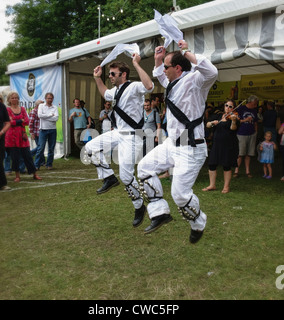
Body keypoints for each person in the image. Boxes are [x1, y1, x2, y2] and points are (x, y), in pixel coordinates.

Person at [137, 40, 218, 243]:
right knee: (144, 168)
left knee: (180, 194)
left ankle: (198, 223)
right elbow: (159, 76)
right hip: (173, 142)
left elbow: (212, 72)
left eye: (166, 66)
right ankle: (160, 213)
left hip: (191, 147)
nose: (163, 70)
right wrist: (157, 61)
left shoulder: (196, 81)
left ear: (178, 68)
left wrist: (187, 51)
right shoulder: (172, 83)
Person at [85, 54, 154, 228]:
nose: (110, 76)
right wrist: (97, 78)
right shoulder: (114, 91)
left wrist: (136, 64)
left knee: (126, 176)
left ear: (123, 74)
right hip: (118, 133)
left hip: (132, 136)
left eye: (113, 74)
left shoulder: (134, 87)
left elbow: (149, 86)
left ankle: (139, 207)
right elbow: (105, 94)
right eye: (109, 74)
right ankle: (108, 177)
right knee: (90, 148)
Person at [202, 99, 240, 193]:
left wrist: (234, 121)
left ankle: (226, 187)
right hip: (216, 144)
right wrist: (212, 123)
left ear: (233, 108)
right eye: (226, 105)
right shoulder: (218, 116)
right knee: (212, 164)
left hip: (228, 145)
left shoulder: (234, 117)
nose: (228, 108)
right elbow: (207, 125)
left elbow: (233, 128)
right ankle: (212, 185)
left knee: (226, 166)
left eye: (230, 106)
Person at [5, 91, 42, 182]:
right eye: (12, 97)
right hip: (12, 137)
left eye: (16, 97)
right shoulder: (8, 110)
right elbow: (10, 123)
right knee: (15, 157)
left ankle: (34, 174)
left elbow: (26, 121)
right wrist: (19, 121)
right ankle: (17, 176)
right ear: (9, 99)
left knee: (28, 156)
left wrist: (16, 121)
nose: (14, 99)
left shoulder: (22, 108)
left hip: (22, 136)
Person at [234, 95, 258, 178]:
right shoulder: (241, 109)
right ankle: (236, 171)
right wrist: (245, 120)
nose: (255, 105)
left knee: (249, 154)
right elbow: (236, 121)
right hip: (241, 133)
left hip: (251, 134)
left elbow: (255, 122)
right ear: (250, 102)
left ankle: (247, 171)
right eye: (254, 103)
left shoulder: (254, 111)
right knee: (240, 154)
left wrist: (256, 132)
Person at [34, 92, 59, 170]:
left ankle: (49, 164)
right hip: (43, 130)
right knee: (40, 148)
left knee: (51, 148)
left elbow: (56, 118)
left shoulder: (54, 107)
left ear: (53, 99)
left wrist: (46, 117)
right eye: (48, 98)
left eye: (51, 98)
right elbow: (40, 116)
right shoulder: (41, 106)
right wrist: (50, 115)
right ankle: (36, 165)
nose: (50, 100)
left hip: (52, 130)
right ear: (45, 99)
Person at [29, 99, 45, 166]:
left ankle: (42, 161)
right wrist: (32, 133)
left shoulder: (42, 111)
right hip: (36, 133)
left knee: (41, 147)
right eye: (42, 104)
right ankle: (29, 154)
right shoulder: (34, 111)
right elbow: (30, 123)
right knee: (40, 147)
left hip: (42, 131)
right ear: (38, 105)